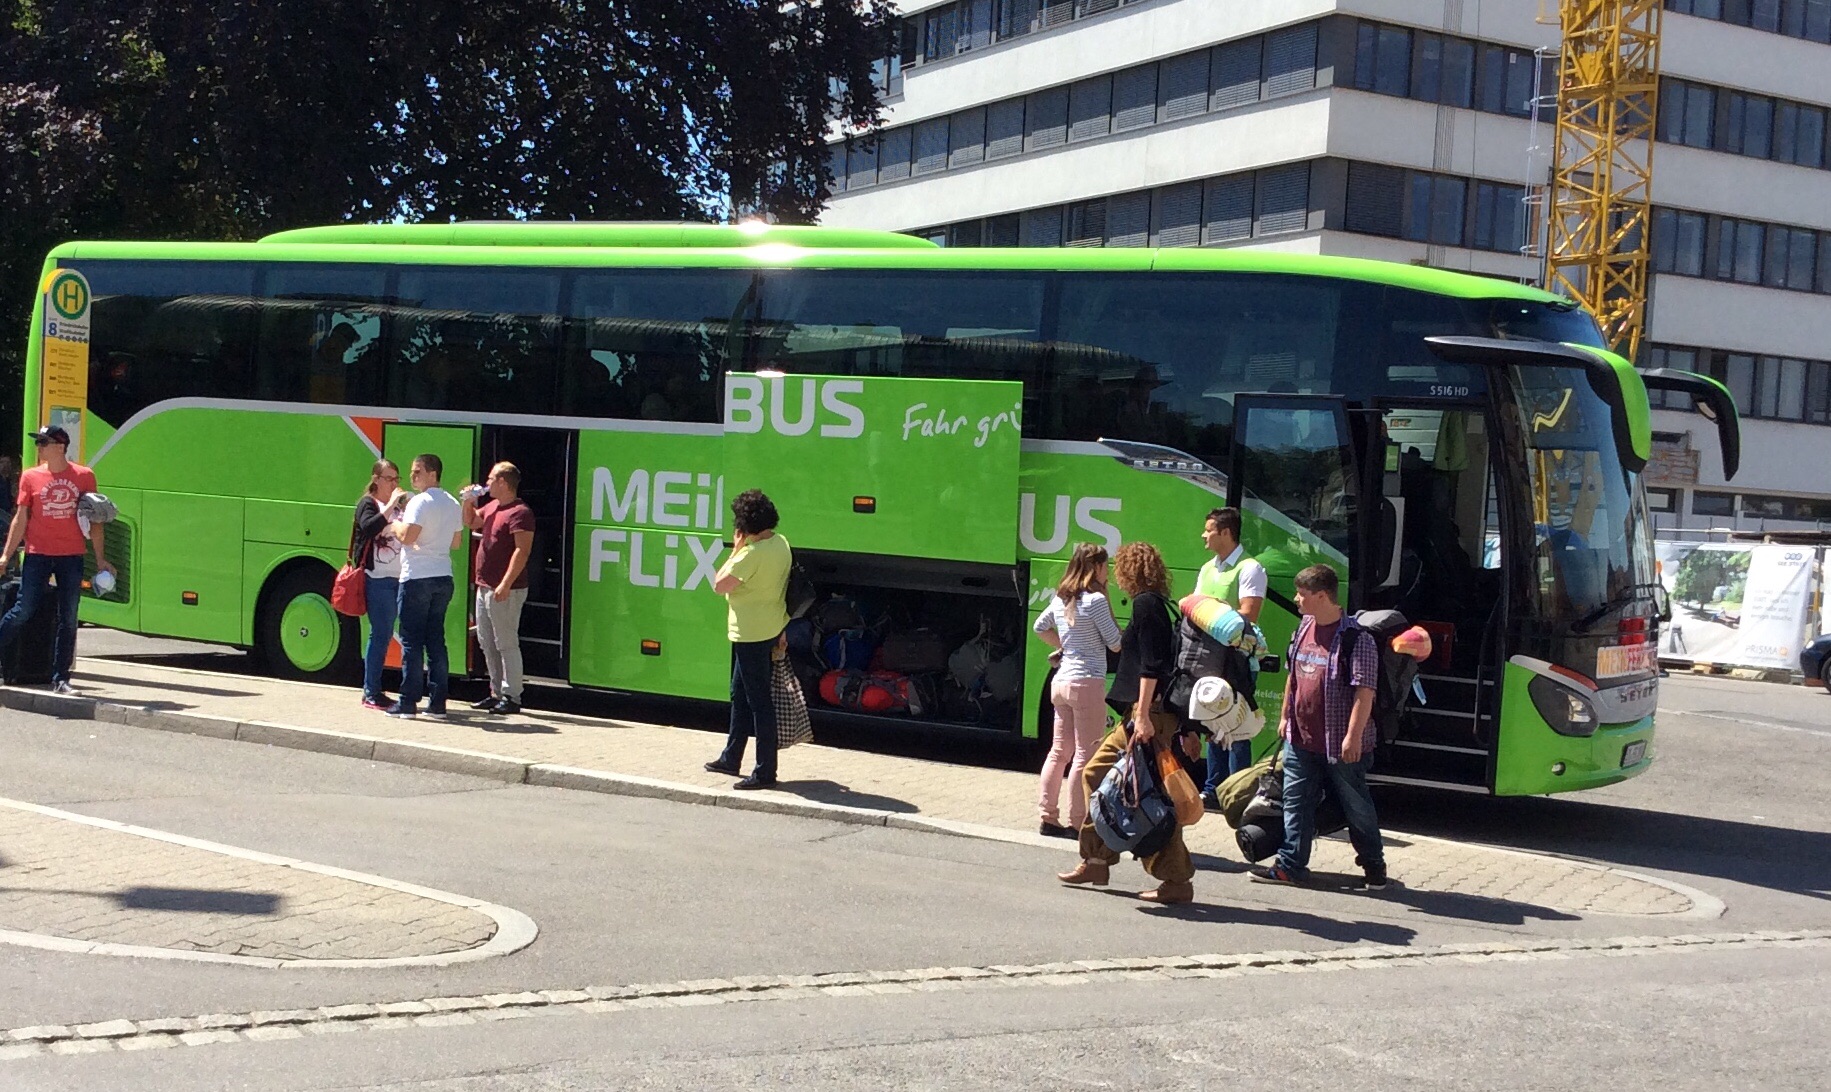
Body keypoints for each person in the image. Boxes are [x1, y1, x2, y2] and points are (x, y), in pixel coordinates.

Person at [1057, 542, 1196, 905]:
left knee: (1145, 793)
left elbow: (1151, 665)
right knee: (1107, 778)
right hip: (1149, 713)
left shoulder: (1147, 605)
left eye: (1121, 568)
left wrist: (1142, 714)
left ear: (1130, 571)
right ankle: (1097, 859)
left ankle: (1174, 880)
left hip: (1148, 714)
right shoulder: (1159, 604)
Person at [1251, 564, 1388, 890]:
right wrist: (1285, 717)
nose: (1297, 600)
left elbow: (1364, 694)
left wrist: (1352, 738)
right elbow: (1293, 678)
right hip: (1300, 739)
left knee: (1357, 807)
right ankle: (1290, 865)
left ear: (1323, 596)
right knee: (1295, 803)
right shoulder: (1303, 628)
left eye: (1302, 594)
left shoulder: (1357, 639)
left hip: (1340, 744)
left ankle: (1374, 865)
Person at [0, 426, 113, 693]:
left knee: (69, 616)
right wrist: (6, 554)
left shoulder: (84, 476)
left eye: (43, 442)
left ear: (60, 446)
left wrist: (101, 559)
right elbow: (20, 518)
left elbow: (95, 520)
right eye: (38, 442)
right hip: (38, 554)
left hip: (71, 555)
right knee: (23, 609)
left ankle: (61, 678)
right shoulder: (30, 477)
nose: (38, 447)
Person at [1032, 543, 1123, 839]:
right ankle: (1077, 821)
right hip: (1087, 681)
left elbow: (1039, 626)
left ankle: (1048, 816)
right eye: (1105, 565)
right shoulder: (1095, 600)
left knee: (1060, 751)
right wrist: (1107, 598)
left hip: (1060, 681)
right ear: (1096, 567)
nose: (1107, 571)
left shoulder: (1062, 598)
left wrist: (1064, 646)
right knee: (1086, 754)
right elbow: (1115, 642)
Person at [705, 489, 791, 790]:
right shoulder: (780, 544)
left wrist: (735, 549)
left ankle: (766, 772)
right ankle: (731, 757)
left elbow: (718, 585)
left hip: (750, 634)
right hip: (770, 627)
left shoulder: (749, 556)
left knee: (758, 703)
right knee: (739, 693)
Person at [1194, 506, 1269, 806]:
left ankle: (1239, 792)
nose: (1204, 535)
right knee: (1213, 722)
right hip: (1212, 657)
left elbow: (1249, 614)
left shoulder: (1250, 568)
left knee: (1238, 727)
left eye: (1209, 530)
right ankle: (1214, 789)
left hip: (1237, 660)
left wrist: (1211, 611)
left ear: (1226, 533)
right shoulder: (1207, 568)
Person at [385, 454, 463, 720]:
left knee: (411, 641)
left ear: (433, 474)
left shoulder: (419, 502)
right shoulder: (452, 503)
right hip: (443, 577)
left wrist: (395, 524)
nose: (413, 477)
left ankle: (408, 703)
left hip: (417, 577)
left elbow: (408, 537)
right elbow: (456, 543)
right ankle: (438, 704)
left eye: (417, 472)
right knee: (436, 640)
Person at [461, 461, 536, 715]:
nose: (487, 483)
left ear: (503, 482)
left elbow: (522, 551)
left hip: (507, 589)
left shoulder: (520, 512)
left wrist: (505, 583)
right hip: (485, 587)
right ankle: (495, 692)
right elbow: (471, 523)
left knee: (506, 642)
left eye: (491, 479)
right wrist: (468, 501)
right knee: (486, 642)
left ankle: (512, 696)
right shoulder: (492, 506)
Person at [350, 459, 409, 710]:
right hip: (378, 580)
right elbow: (370, 528)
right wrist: (391, 506)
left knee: (396, 635)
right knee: (381, 633)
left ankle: (378, 689)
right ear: (376, 480)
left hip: (400, 578)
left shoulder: (398, 507)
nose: (394, 484)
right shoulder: (369, 504)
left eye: (397, 479)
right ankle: (371, 691)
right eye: (389, 478)